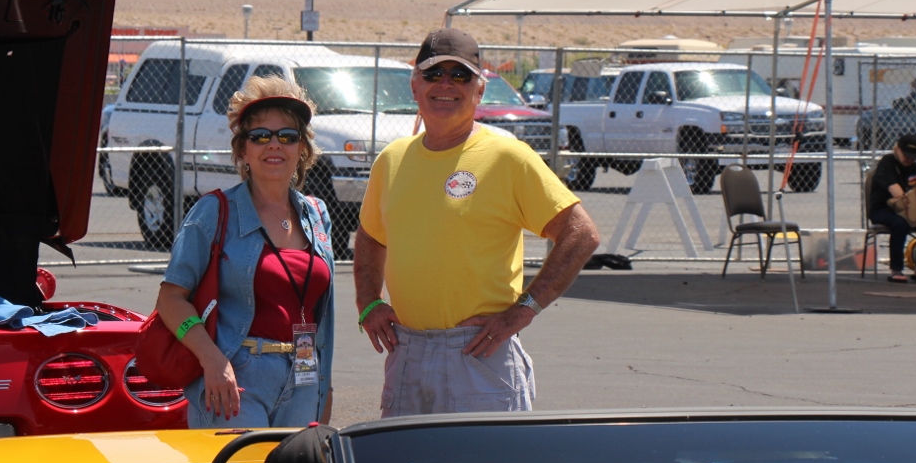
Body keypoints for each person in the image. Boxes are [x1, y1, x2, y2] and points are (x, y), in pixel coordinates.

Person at [354, 27, 600, 417]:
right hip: (408, 353)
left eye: (460, 75)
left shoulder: (507, 156)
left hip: (478, 353)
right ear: (415, 85)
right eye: (434, 74)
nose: (446, 85)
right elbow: (370, 235)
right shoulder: (393, 159)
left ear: (480, 89)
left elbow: (580, 233)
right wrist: (368, 303)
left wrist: (524, 310)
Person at [156, 75, 335, 428]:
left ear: (302, 149)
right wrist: (213, 361)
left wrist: (324, 389)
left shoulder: (317, 215)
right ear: (243, 150)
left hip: (303, 378)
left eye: (287, 136)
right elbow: (171, 299)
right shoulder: (213, 211)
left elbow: (318, 313)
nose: (274, 145)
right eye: (260, 136)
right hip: (235, 377)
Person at [867, 133, 916, 283]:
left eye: (913, 157)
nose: (910, 160)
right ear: (897, 150)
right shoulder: (887, 163)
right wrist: (908, 198)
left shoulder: (913, 167)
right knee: (899, 224)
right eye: (907, 156)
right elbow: (894, 190)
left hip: (907, 209)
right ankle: (896, 269)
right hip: (883, 208)